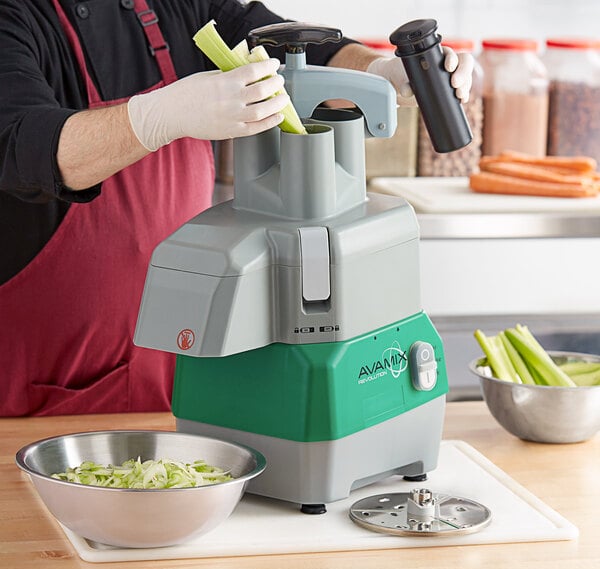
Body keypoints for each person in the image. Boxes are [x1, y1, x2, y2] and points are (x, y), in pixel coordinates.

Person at [0, 0, 473, 417]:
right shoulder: (15, 16)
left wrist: (378, 73)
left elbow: (278, 40)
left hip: (182, 371)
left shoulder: (174, 6)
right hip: (46, 391)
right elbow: (25, 146)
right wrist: (156, 117)